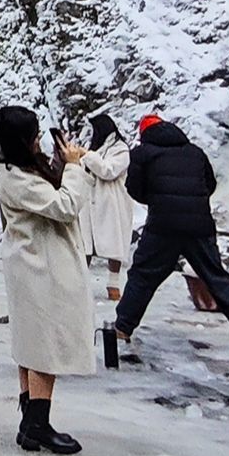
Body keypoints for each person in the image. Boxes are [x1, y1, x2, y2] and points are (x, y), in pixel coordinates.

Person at [109, 114, 229, 354]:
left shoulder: (142, 154)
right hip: (199, 226)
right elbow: (209, 184)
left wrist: (157, 200)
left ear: (144, 135)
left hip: (163, 226)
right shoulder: (195, 152)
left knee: (143, 276)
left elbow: (134, 189)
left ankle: (123, 327)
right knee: (215, 276)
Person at [0, 106, 88, 456]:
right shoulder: (17, 178)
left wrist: (63, 164)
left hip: (32, 265)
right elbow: (65, 206)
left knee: (31, 343)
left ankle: (30, 421)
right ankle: (38, 423)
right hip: (41, 269)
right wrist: (74, 169)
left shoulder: (12, 169)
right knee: (43, 347)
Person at [61, 113, 132, 324]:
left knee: (112, 242)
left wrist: (87, 155)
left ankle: (114, 284)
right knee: (85, 244)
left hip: (110, 203)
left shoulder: (121, 150)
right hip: (91, 202)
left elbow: (108, 170)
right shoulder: (98, 148)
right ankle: (79, 282)